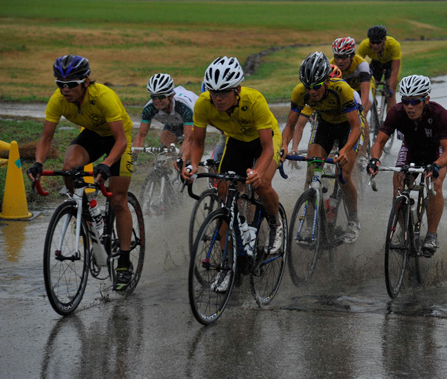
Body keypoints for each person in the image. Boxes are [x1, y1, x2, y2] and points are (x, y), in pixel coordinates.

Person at [27, 54, 135, 291]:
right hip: (93, 135)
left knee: (118, 200)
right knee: (69, 168)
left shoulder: (104, 97)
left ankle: (125, 262)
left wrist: (107, 164)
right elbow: (46, 138)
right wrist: (38, 162)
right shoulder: (58, 100)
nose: (65, 90)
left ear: (85, 82)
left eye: (71, 85)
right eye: (60, 84)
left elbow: (121, 140)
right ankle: (83, 210)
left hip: (118, 139)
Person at [181, 56, 284, 257]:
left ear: (236, 90)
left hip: (265, 140)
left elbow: (267, 148)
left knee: (261, 184)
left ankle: (275, 222)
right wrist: (193, 165)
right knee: (223, 189)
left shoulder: (254, 100)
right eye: (213, 92)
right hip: (236, 140)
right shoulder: (203, 104)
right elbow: (198, 142)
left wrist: (258, 171)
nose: (218, 98)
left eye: (223, 92)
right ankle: (228, 259)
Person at [281, 52, 364, 244]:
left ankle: (353, 220)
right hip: (325, 125)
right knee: (312, 171)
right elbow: (291, 125)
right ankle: (310, 221)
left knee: (343, 174)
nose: (312, 92)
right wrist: (285, 145)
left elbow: (357, 127)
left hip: (347, 128)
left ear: (327, 81)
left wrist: (344, 150)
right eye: (308, 87)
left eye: (317, 86)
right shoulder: (300, 92)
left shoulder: (342, 89)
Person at [367, 75, 447, 256]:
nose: (409, 106)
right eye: (406, 101)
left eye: (415, 101)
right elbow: (379, 142)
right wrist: (374, 159)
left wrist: (436, 165)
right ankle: (404, 230)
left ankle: (431, 235)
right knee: (397, 186)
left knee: (435, 185)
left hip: (435, 154)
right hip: (411, 149)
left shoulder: (439, 114)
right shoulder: (397, 112)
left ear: (426, 99)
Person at [132, 73, 198, 150]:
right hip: (174, 121)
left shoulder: (183, 107)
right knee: (165, 149)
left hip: (197, 117)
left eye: (161, 97)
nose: (157, 101)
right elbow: (141, 135)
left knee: (189, 150)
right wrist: (134, 158)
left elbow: (189, 138)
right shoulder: (149, 108)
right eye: (153, 97)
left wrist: (180, 159)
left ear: (171, 96)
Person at [356, 24, 401, 112]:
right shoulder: (364, 45)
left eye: (378, 42)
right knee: (369, 88)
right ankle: (373, 104)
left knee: (390, 96)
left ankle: (390, 122)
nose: (375, 45)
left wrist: (390, 88)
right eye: (372, 42)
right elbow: (357, 66)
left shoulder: (394, 45)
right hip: (376, 63)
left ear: (384, 40)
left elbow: (395, 69)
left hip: (390, 64)